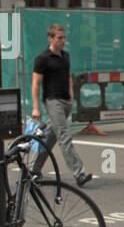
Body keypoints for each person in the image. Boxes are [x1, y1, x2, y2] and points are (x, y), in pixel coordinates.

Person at [31, 23, 92, 186]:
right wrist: (36, 106)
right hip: (53, 101)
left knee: (50, 138)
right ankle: (79, 173)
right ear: (50, 38)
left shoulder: (65, 56)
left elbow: (68, 78)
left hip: (65, 101)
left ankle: (33, 170)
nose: (63, 41)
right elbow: (36, 83)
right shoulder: (43, 58)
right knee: (64, 136)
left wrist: (71, 97)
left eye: (64, 38)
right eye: (59, 38)